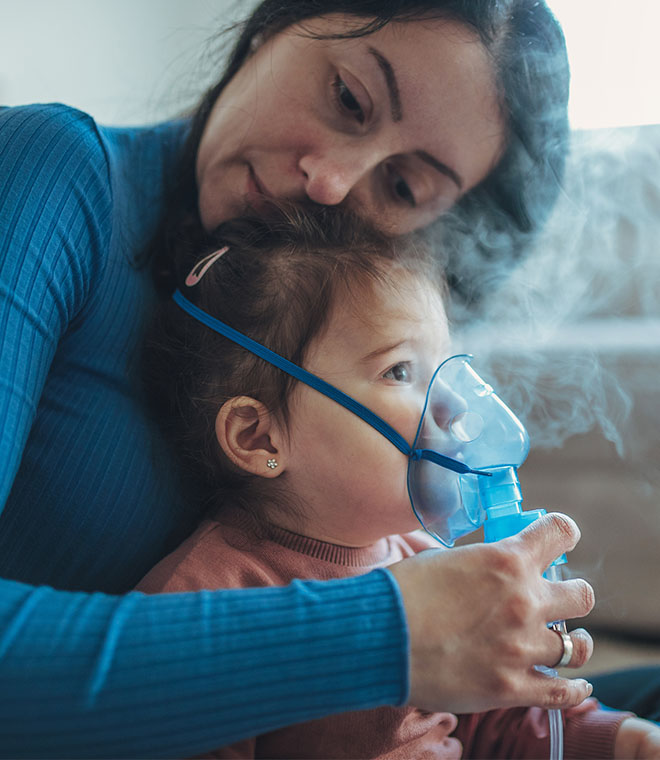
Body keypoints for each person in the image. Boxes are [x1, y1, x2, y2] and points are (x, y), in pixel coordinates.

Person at [0, 1, 648, 756]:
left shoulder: (339, 352)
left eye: (403, 187)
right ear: (277, 23)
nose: (332, 184)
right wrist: (389, 633)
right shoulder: (57, 174)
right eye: (347, 97)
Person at [137, 203, 659, 758]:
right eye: (400, 371)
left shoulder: (421, 555)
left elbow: (491, 721)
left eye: (447, 365)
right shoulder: (202, 605)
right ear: (259, 438)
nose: (455, 404)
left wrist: (624, 743)